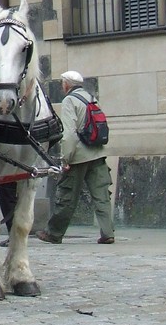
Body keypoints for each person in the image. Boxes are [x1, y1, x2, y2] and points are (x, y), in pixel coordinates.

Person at [37, 71, 115, 245]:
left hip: (78, 157)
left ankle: (54, 233)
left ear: (66, 85)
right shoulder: (91, 97)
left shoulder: (69, 101)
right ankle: (108, 232)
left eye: (62, 83)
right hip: (97, 153)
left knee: (67, 197)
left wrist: (66, 159)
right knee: (102, 196)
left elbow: (69, 135)